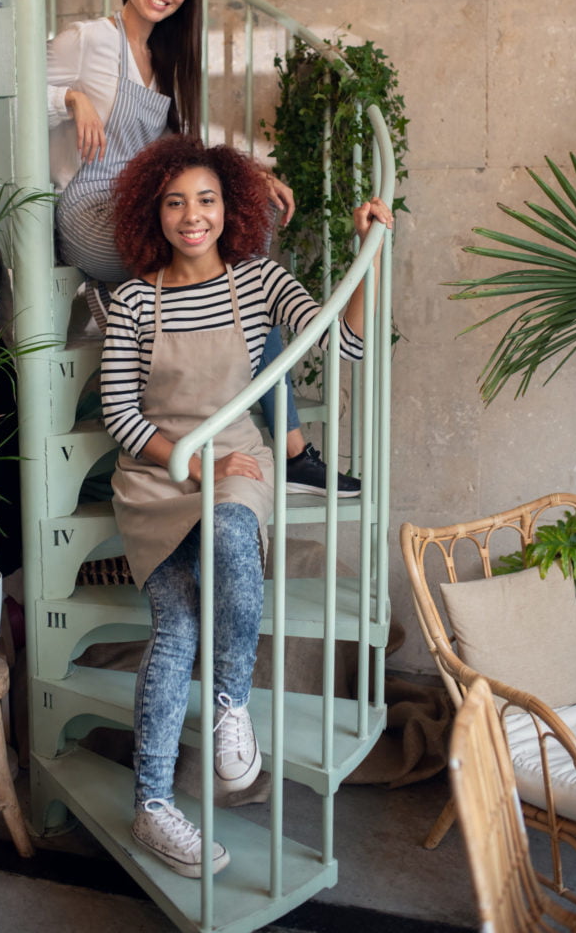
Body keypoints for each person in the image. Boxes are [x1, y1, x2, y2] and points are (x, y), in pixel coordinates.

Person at [100, 134, 393, 878]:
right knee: (175, 627)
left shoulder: (258, 282)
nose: (191, 217)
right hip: (158, 476)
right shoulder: (134, 299)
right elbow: (121, 417)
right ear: (153, 213)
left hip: (238, 464)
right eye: (174, 203)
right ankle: (154, 809)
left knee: (232, 529)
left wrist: (372, 253)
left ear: (230, 207)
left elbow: (342, 348)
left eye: (205, 200)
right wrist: (191, 462)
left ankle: (231, 706)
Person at [47, 0, 360, 497]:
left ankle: (284, 445)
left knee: (249, 238)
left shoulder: (165, 58)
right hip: (90, 205)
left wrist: (251, 174)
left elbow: (178, 153)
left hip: (143, 201)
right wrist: (71, 97)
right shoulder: (89, 37)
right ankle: (289, 448)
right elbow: (13, 100)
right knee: (234, 277)